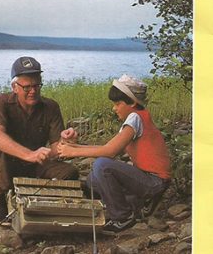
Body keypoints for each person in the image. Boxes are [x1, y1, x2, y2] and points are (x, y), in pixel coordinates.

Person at [58, 74, 171, 234]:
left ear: (132, 103)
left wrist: (73, 152)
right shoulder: (135, 119)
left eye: (118, 103)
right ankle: (136, 203)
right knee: (93, 179)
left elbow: (110, 152)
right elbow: (108, 147)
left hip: (155, 181)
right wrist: (75, 146)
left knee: (102, 165)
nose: (114, 108)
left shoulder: (135, 118)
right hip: (146, 178)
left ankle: (123, 217)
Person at [0, 56, 79, 226]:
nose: (33, 91)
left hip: (36, 165)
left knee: (70, 172)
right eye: (27, 87)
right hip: (6, 164)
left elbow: (57, 149)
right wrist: (29, 154)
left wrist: (67, 141)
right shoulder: (1, 102)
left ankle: (37, 198)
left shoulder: (51, 106)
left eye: (36, 86)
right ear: (15, 87)